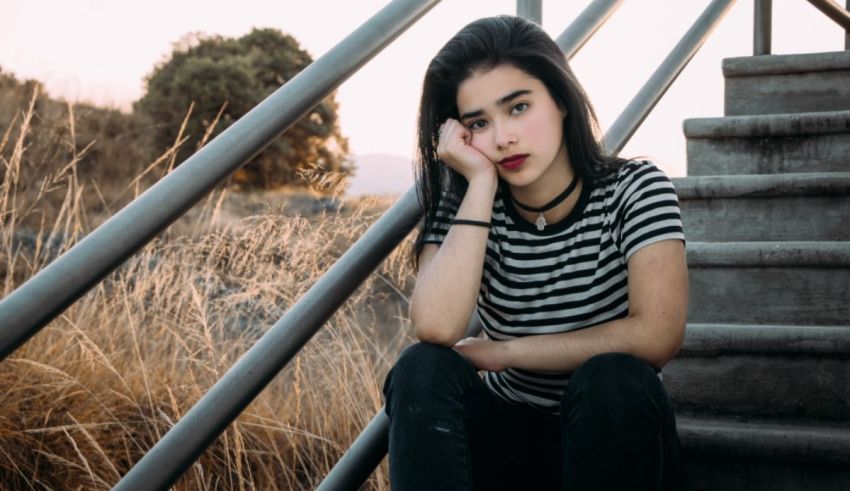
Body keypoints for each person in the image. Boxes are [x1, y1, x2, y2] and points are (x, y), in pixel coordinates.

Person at [381, 14, 688, 491]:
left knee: (613, 377)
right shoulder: (464, 207)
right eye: (478, 122)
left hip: (616, 437)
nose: (502, 137)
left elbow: (656, 336)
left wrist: (506, 352)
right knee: (421, 368)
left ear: (562, 101)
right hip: (512, 442)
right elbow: (436, 327)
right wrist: (480, 184)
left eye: (519, 107)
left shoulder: (637, 190)